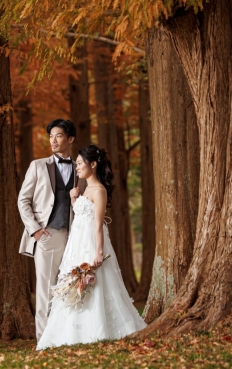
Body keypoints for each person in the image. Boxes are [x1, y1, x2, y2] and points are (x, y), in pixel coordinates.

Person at [36, 144, 146, 350]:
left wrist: (99, 251)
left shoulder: (99, 191)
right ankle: (72, 331)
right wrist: (74, 200)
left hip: (90, 242)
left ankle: (98, 328)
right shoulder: (85, 189)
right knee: (74, 282)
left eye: (80, 163)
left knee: (95, 283)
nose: (77, 167)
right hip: (77, 242)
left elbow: (97, 224)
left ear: (93, 165)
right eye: (76, 163)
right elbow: (81, 216)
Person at [18, 119, 86, 341]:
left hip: (73, 236)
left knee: (70, 287)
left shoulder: (79, 168)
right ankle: (44, 339)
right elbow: (23, 200)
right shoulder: (38, 166)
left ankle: (66, 336)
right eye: (51, 136)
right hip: (47, 234)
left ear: (70, 139)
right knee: (46, 289)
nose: (53, 140)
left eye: (58, 136)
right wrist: (35, 230)